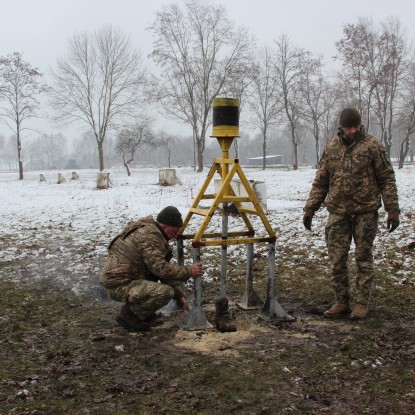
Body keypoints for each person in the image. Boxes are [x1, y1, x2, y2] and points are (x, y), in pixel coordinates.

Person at [303, 108, 400, 320]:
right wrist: (310, 208)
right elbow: (321, 181)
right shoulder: (331, 148)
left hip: (365, 212)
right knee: (337, 260)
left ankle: (361, 303)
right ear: (341, 127)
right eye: (349, 127)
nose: (353, 130)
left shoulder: (372, 146)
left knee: (363, 258)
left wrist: (392, 209)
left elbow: (386, 178)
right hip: (338, 212)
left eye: (356, 126)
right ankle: (342, 301)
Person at [100, 206, 203, 331]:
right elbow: (161, 269)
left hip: (124, 279)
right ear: (164, 226)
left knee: (159, 285)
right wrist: (189, 271)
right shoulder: (150, 236)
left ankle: (143, 314)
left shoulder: (150, 230)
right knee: (164, 292)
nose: (175, 237)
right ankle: (128, 316)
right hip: (119, 284)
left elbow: (162, 273)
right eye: (174, 232)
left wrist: (179, 296)